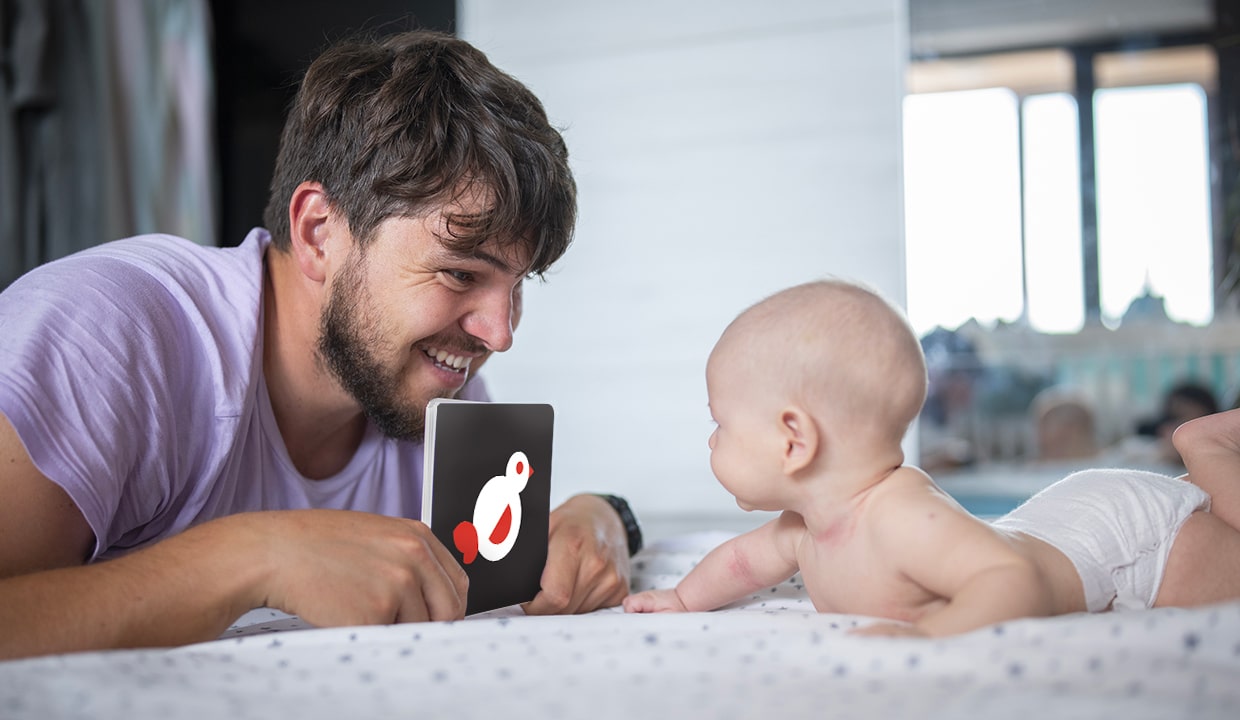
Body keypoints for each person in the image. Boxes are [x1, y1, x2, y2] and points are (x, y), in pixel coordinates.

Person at [0, 30, 640, 660]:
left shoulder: (434, 379)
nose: (500, 334)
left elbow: (518, 568)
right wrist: (255, 556)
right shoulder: (107, 333)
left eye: (515, 285)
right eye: (460, 274)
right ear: (318, 232)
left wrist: (601, 516)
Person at [622, 279, 1240, 637]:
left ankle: (1204, 445)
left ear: (793, 440)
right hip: (1061, 518)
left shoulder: (899, 516)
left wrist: (934, 640)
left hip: (1128, 543)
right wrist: (679, 601)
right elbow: (736, 564)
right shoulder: (803, 529)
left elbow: (1010, 581)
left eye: (720, 423)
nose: (711, 440)